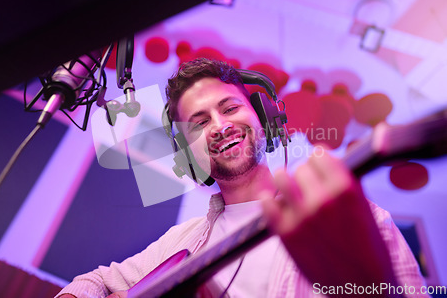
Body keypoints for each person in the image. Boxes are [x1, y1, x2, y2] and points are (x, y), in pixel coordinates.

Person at [56, 58, 427, 298]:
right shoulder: (180, 242)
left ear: (263, 120)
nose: (219, 127)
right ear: (189, 154)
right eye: (199, 124)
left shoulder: (357, 220)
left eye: (230, 108)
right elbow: (99, 280)